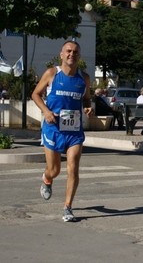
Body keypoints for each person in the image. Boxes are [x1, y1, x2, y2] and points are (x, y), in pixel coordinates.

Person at [31, 40, 94, 222]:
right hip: (53, 129)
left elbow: (86, 99)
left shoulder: (85, 78)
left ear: (79, 56)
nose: (71, 54)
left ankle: (67, 207)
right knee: (55, 170)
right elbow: (35, 94)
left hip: (74, 131)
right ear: (61, 54)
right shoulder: (52, 73)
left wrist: (88, 107)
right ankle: (47, 178)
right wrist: (46, 111)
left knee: (73, 167)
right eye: (68, 51)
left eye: (75, 52)